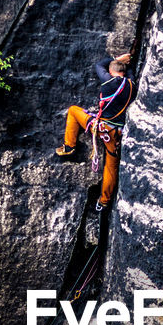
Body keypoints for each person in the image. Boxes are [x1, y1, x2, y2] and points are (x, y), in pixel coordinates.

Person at [55, 52, 135, 211]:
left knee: (73, 111)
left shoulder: (108, 81)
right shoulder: (132, 85)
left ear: (111, 72)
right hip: (116, 133)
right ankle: (104, 201)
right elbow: (129, 73)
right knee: (111, 166)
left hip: (101, 128)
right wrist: (128, 64)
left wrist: (117, 59)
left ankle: (69, 146)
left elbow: (99, 65)